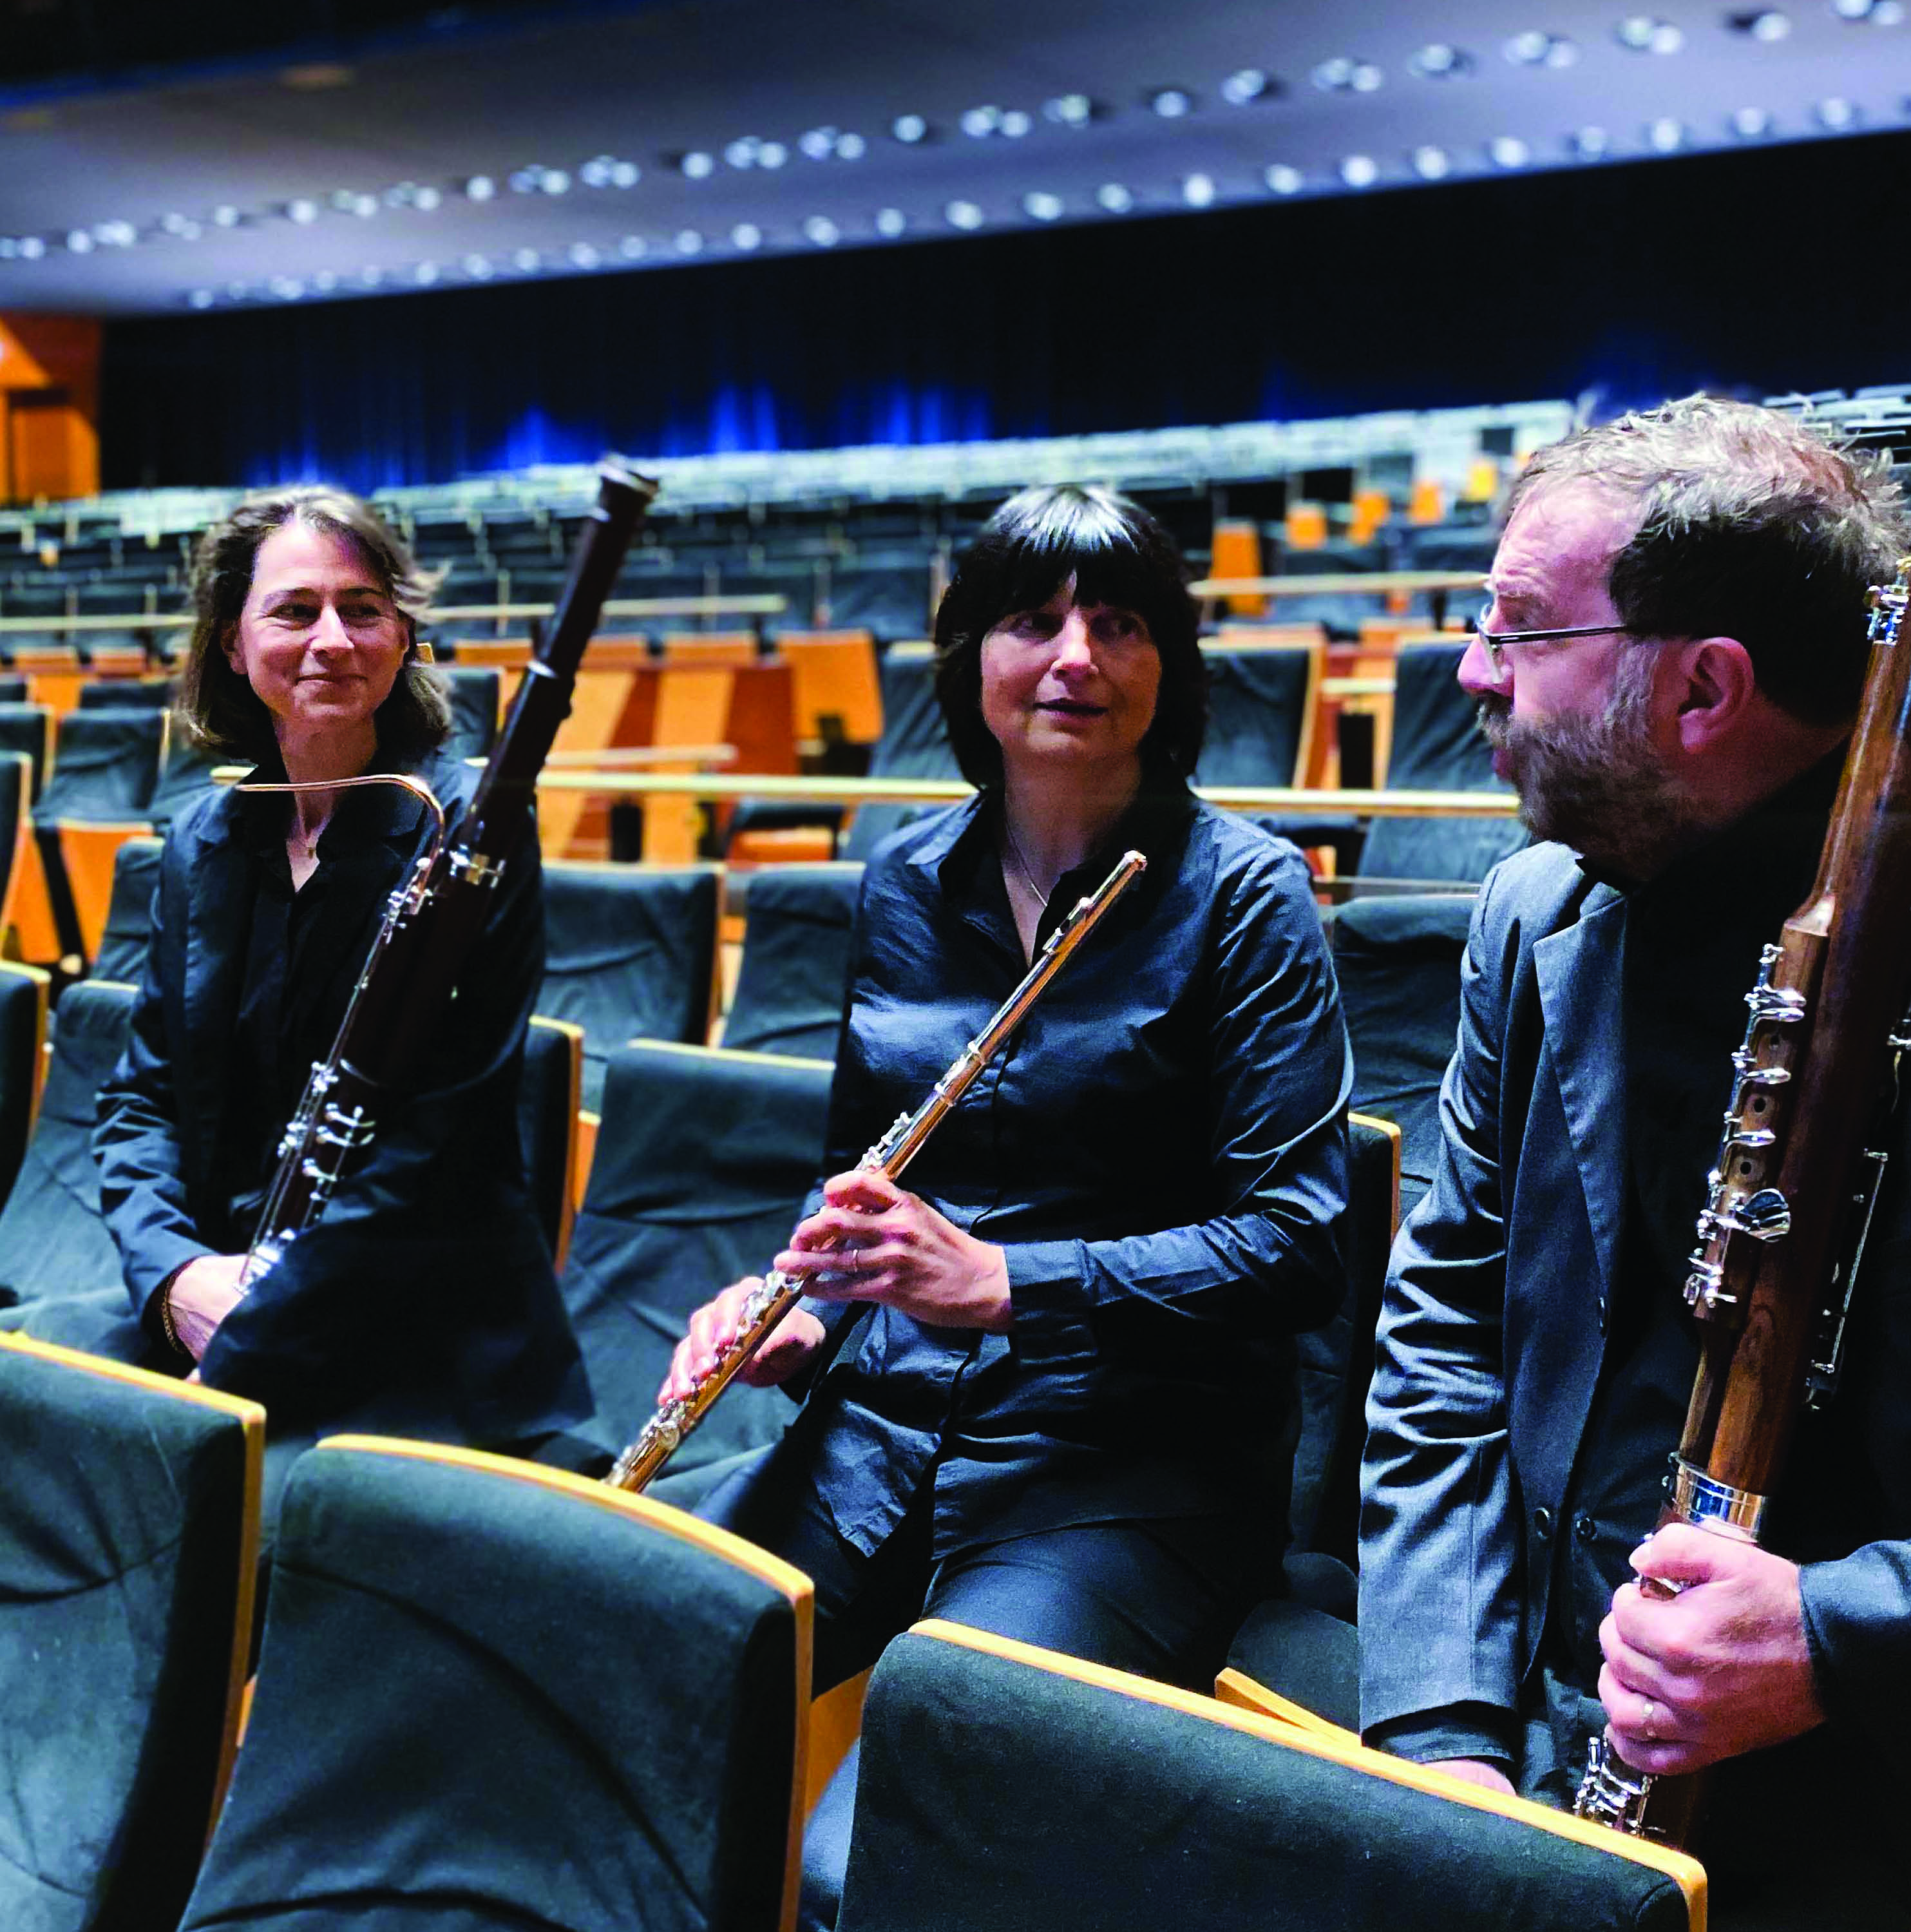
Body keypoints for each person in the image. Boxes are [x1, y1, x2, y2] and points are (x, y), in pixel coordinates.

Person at [663, 484, 1351, 1928]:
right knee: (627, 1678)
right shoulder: (906, 876)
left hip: (1122, 1471)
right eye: (1030, 621)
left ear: (1168, 661)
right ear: (967, 656)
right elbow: (870, 1170)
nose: (1074, 658)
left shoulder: (1245, 896)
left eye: (1117, 623)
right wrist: (802, 1303)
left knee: (875, 1854)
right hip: (877, 1426)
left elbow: (1297, 1241)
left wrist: (1009, 1282)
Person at [1351, 397, 1911, 1920]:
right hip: (1536, 1746)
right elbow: (1444, 1342)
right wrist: (1439, 1725)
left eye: (1518, 630)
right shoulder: (1530, 914)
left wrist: (1832, 1630)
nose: (1468, 671)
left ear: (1701, 688)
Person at [88, 484, 593, 1465]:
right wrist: (174, 1274)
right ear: (232, 644)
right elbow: (138, 1097)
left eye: (363, 610)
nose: (332, 639)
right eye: (293, 609)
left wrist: (261, 1327)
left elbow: (441, 1135)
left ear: (403, 637)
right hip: (219, 1291)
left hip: (418, 1330)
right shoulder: (201, 838)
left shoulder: (470, 830)